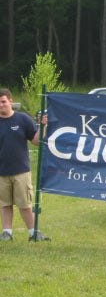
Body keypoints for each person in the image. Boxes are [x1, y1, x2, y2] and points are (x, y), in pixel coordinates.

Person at [0, 88, 50, 241]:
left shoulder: (22, 119)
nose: (1, 105)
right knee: (5, 204)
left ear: (10, 101)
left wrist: (43, 126)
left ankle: (33, 233)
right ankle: (7, 233)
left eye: (3, 102)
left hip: (21, 171)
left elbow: (36, 141)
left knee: (25, 205)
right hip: (1, 172)